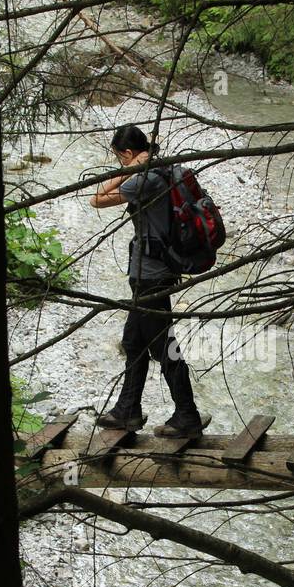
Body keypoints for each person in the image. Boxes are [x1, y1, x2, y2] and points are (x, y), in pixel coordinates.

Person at [88, 125, 203, 438]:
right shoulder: (163, 170)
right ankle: (128, 410)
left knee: (164, 347)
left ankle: (187, 415)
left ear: (127, 153)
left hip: (151, 275)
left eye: (120, 158)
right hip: (152, 272)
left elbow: (97, 198)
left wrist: (130, 168)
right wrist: (136, 162)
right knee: (134, 341)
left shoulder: (148, 177)